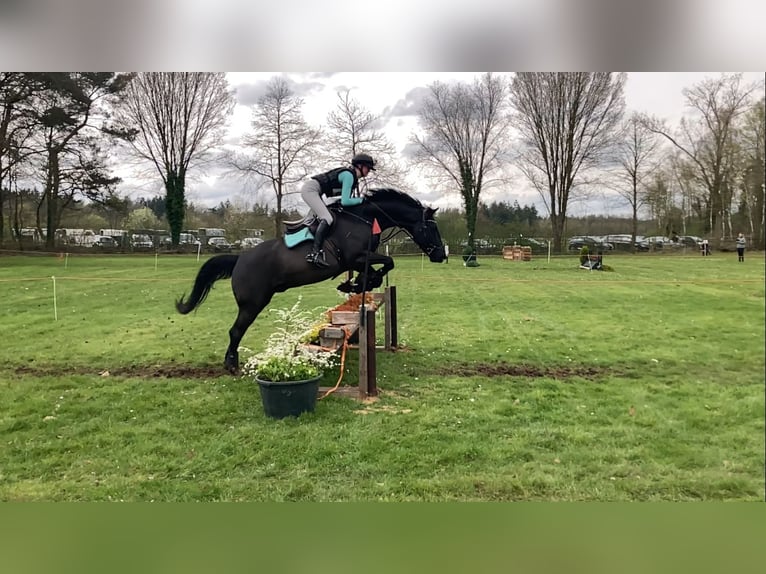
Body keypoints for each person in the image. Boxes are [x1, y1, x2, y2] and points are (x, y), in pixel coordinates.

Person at [300, 153, 376, 267]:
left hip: (317, 192)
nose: (369, 171)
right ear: (359, 165)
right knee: (327, 218)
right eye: (368, 167)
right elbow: (346, 201)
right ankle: (314, 254)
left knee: (318, 219)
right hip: (311, 190)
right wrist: (363, 200)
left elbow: (343, 202)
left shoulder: (352, 178)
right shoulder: (349, 176)